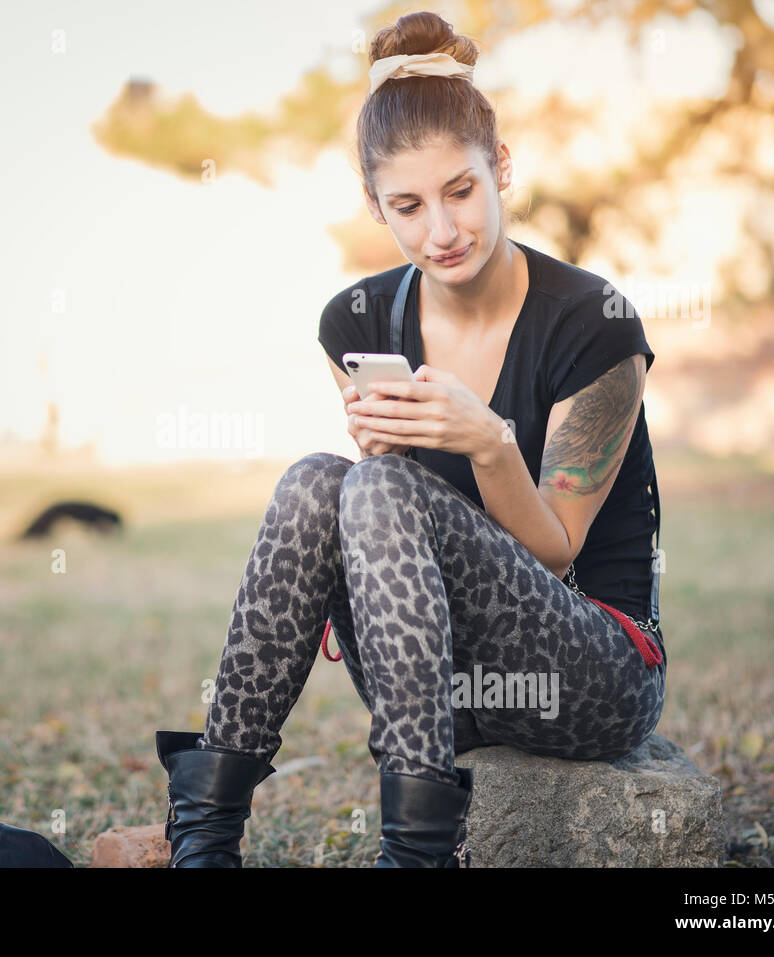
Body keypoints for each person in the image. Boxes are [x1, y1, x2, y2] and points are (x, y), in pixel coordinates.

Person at [156, 10, 665, 868]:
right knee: (321, 481)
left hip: (592, 671)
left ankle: (418, 854)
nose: (442, 230)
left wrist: (490, 442)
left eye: (461, 191)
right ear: (374, 205)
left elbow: (556, 549)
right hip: (431, 678)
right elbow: (382, 527)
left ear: (501, 168)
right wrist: (380, 459)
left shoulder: (595, 323)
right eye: (408, 205)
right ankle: (205, 837)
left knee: (377, 487)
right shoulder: (353, 320)